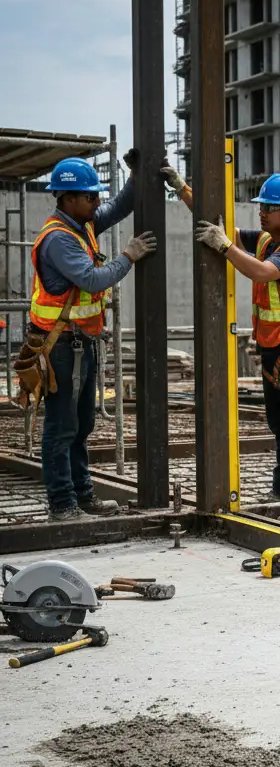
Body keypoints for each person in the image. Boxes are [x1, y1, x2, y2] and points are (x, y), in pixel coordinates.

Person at [25, 156, 156, 520]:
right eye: (90, 197)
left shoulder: (81, 224)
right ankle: (63, 505)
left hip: (80, 343)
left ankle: (82, 497)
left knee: (81, 424)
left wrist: (137, 176)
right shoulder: (58, 239)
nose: (97, 202)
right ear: (67, 199)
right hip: (61, 347)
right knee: (61, 427)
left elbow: (118, 206)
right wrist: (128, 256)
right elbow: (93, 279)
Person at [194, 174, 280, 526]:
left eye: (270, 208)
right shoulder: (269, 240)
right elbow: (220, 228)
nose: (262, 213)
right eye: (261, 206)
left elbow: (261, 272)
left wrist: (223, 247)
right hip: (274, 347)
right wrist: (181, 188)